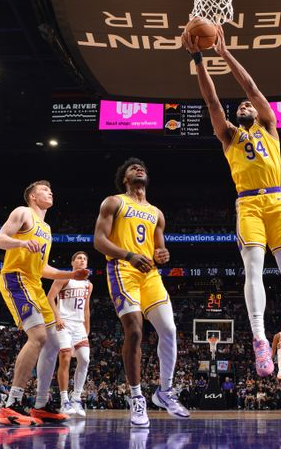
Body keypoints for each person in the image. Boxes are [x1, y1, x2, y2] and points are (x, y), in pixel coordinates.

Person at [182, 26, 281, 377]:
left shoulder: (269, 125)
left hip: (277, 201)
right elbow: (213, 101)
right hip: (248, 205)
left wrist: (223, 51)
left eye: (248, 104)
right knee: (253, 270)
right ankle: (261, 342)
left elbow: (251, 87)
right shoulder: (229, 135)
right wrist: (198, 59)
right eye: (241, 107)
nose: (245, 104)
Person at [93, 158, 190, 427]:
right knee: (135, 331)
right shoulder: (113, 202)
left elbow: (159, 251)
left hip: (150, 275)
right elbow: (99, 241)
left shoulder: (157, 213)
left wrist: (163, 254)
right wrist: (129, 255)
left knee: (169, 330)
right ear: (125, 178)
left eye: (143, 168)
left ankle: (164, 391)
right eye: (133, 168)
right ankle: (136, 398)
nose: (139, 169)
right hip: (122, 269)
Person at [0, 180, 85, 426]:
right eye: (45, 189)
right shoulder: (22, 212)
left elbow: (43, 268)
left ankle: (41, 405)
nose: (50, 192)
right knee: (38, 337)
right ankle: (11, 404)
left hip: (34, 284)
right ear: (32, 196)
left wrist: (71, 275)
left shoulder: (47, 228)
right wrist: (21, 242)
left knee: (55, 343)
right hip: (16, 277)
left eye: (51, 189)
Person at [47, 250, 92, 417]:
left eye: (84, 258)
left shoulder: (88, 284)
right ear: (73, 263)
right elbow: (50, 297)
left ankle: (76, 398)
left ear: (86, 264)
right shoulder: (64, 277)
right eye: (79, 258)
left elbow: (86, 309)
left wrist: (87, 329)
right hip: (64, 323)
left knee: (85, 360)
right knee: (65, 357)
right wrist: (57, 317)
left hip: (79, 326)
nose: (82, 260)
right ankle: (64, 400)